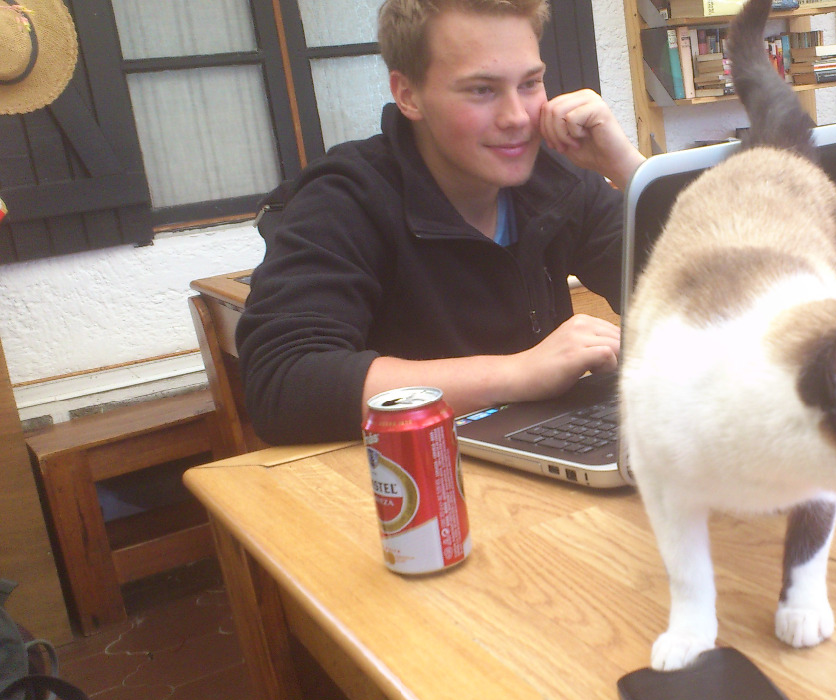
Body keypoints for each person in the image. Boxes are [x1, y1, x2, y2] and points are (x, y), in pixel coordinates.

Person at [236, 0, 645, 445]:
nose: (516, 117)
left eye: (530, 83)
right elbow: (283, 383)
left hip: (547, 452)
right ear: (408, 95)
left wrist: (631, 171)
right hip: (401, 473)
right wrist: (517, 373)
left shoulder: (557, 181)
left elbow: (693, 298)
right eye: (481, 90)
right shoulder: (344, 197)